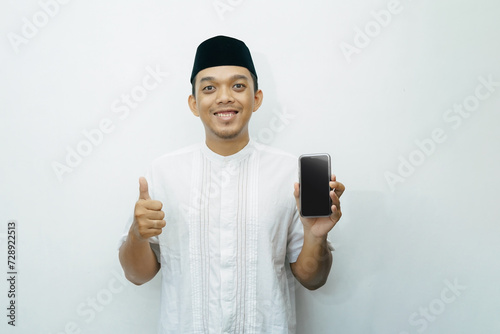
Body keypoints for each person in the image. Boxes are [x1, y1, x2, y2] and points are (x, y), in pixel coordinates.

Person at [118, 35, 345, 334]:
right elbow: (137, 275)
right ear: (194, 103)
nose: (224, 97)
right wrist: (137, 233)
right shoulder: (163, 172)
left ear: (257, 98)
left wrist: (315, 236)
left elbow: (312, 279)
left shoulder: (289, 173)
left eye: (238, 85)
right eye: (209, 87)